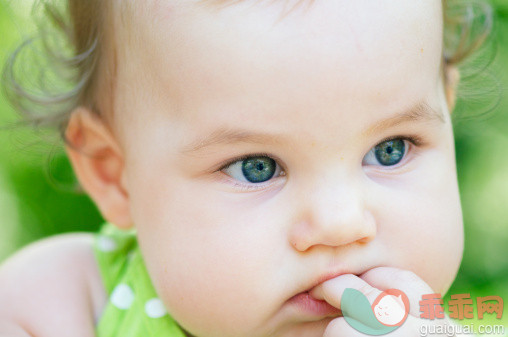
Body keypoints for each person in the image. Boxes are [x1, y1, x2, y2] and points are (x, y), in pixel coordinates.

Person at [0, 0, 493, 336]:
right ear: (114, 174)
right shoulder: (57, 306)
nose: (341, 223)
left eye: (391, 149)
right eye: (256, 167)